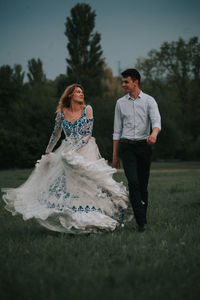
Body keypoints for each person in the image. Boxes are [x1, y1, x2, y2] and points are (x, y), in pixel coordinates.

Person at [2, 84, 132, 234]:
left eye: (82, 92)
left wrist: (73, 151)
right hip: (66, 150)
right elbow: (55, 135)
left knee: (88, 184)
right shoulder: (61, 114)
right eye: (77, 92)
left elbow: (87, 134)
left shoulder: (87, 109)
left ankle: (101, 215)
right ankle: (74, 220)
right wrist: (47, 152)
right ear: (70, 95)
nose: (81, 94)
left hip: (84, 149)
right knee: (67, 186)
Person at [113, 69, 161, 232]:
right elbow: (116, 131)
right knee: (133, 183)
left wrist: (153, 134)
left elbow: (156, 121)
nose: (123, 85)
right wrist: (115, 155)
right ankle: (141, 223)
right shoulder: (120, 103)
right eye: (123, 82)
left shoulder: (149, 101)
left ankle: (142, 219)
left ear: (135, 82)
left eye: (126, 82)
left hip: (144, 147)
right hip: (127, 147)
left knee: (142, 185)